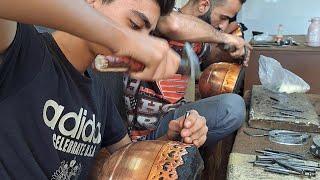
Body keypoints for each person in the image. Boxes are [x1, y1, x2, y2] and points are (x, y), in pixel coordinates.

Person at [0, 0, 209, 179]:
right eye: (135, 25)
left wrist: (168, 142)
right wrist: (121, 38)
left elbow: (124, 155)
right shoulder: (23, 49)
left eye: (148, 34)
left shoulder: (99, 93)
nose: (142, 42)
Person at [119, 0, 247, 151]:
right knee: (232, 107)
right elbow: (173, 24)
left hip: (174, 117)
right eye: (223, 17)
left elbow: (212, 55)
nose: (223, 26)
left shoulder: (196, 40)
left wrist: (237, 52)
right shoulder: (161, 19)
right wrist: (224, 37)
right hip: (147, 132)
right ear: (203, 5)